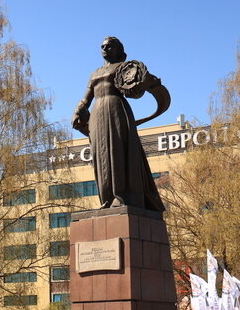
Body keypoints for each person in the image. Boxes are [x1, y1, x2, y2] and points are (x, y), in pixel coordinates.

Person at [72, 37, 169, 212]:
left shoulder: (123, 68)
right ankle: (107, 198)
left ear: (118, 49)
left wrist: (145, 83)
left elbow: (134, 91)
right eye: (102, 46)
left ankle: (122, 197)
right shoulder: (94, 73)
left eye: (109, 46)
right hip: (97, 114)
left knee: (118, 153)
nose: (104, 49)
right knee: (101, 156)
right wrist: (78, 111)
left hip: (116, 110)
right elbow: (86, 98)